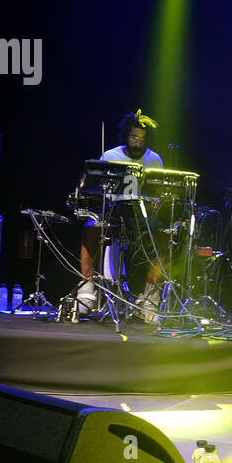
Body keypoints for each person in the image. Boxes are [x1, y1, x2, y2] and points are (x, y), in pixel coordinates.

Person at [79, 111, 165, 315]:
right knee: (90, 228)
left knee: (164, 236)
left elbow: (158, 192)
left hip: (140, 216)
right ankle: (86, 290)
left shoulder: (154, 159)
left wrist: (155, 200)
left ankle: (150, 295)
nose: (138, 143)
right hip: (112, 213)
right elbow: (94, 188)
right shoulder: (110, 156)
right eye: (134, 137)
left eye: (143, 139)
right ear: (126, 136)